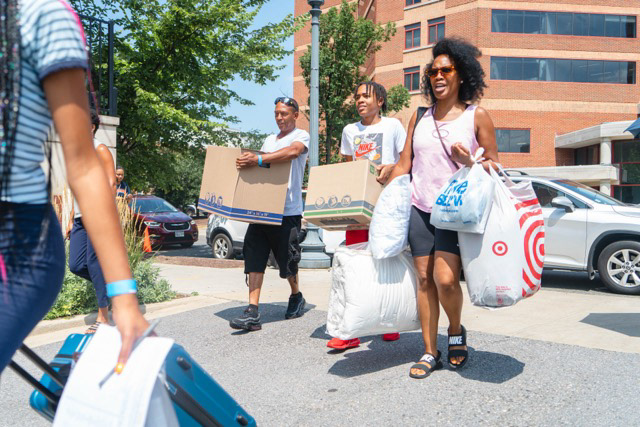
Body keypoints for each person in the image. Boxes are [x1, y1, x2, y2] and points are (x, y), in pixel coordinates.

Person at [0, 0, 148, 373]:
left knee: (87, 263)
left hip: (16, 247)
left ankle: (104, 308)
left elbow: (85, 170)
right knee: (79, 262)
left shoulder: (41, 14)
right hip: (64, 223)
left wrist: (124, 297)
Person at [387, 37, 499, 379]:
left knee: (446, 280)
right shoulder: (419, 117)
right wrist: (384, 183)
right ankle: (429, 350)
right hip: (420, 207)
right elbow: (405, 163)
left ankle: (454, 329)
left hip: (454, 211)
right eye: (433, 71)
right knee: (424, 278)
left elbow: (495, 165)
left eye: (446, 70)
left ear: (461, 74)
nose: (438, 76)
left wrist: (471, 161)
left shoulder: (476, 116)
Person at [327, 81, 407, 350]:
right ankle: (350, 332)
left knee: (387, 263)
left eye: (366, 96)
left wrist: (392, 166)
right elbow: (347, 167)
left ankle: (391, 322)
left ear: (380, 101)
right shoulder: (350, 130)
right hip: (358, 208)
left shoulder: (393, 126)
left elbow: (407, 161)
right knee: (355, 265)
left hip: (388, 204)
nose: (360, 100)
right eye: (357, 97)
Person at [230, 97, 309, 331]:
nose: (279, 118)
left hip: (288, 211)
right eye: (276, 114)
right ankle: (252, 312)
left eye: (284, 113)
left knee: (288, 261)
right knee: (254, 257)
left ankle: (296, 295)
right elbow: (262, 169)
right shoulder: (269, 140)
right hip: (262, 210)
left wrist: (259, 158)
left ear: (295, 115)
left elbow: (292, 152)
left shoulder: (301, 136)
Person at [68, 109, 115, 334]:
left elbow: (111, 185)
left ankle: (103, 317)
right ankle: (112, 288)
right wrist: (71, 217)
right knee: (76, 265)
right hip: (79, 218)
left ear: (92, 127)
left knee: (94, 264)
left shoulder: (100, 150)